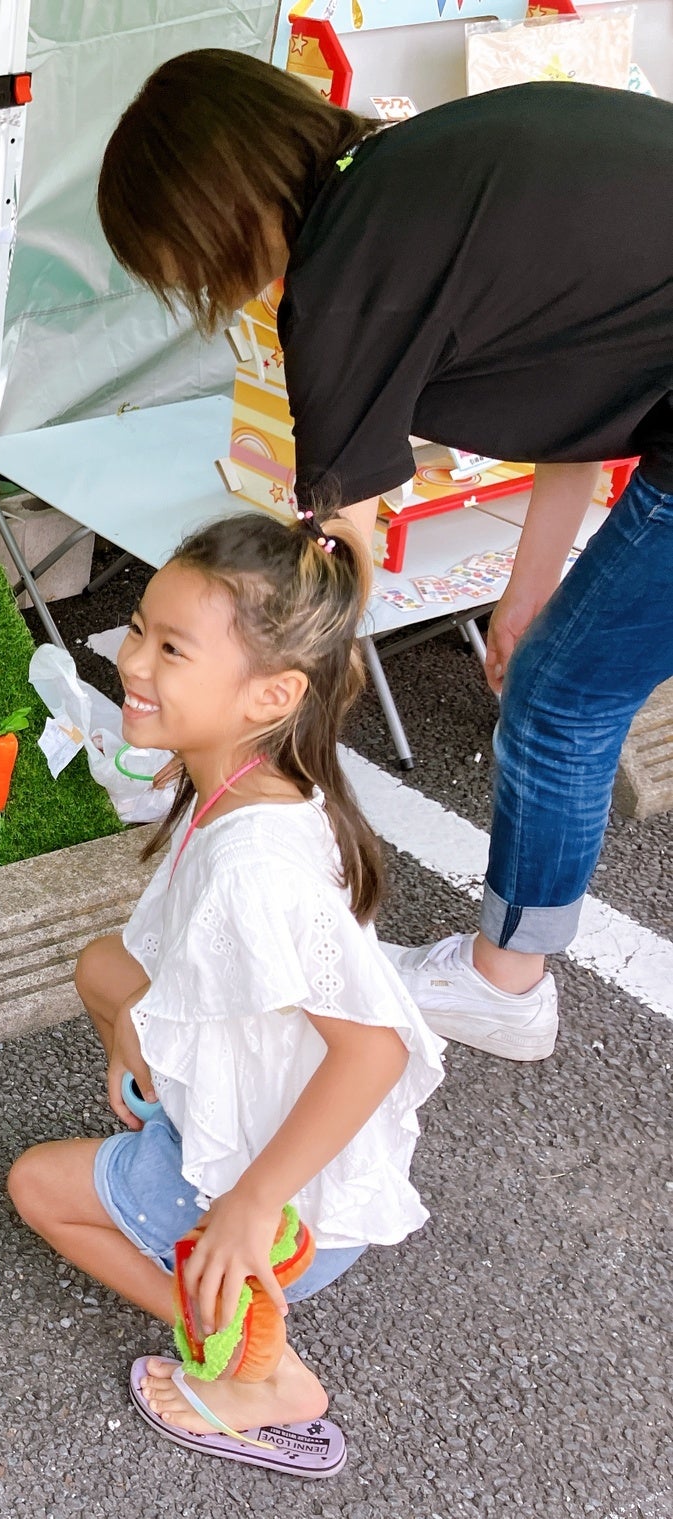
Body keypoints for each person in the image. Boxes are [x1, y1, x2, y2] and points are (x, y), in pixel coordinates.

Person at [96, 52, 673, 1062]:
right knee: (555, 675)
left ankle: (507, 987)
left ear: (208, 217)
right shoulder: (414, 170)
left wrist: (243, 736)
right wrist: (527, 591)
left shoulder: (346, 279)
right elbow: (587, 377)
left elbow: (333, 568)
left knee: (560, 705)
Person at [6, 513, 446, 1474]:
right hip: (257, 1137)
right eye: (138, 629)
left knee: (34, 1186)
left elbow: (373, 1049)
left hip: (281, 1204)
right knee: (102, 968)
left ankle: (255, 1347)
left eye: (172, 647)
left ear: (270, 694)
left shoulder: (253, 861)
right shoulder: (249, 774)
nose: (132, 659)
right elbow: (139, 972)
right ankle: (198, 1195)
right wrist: (133, 1028)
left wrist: (248, 1204)